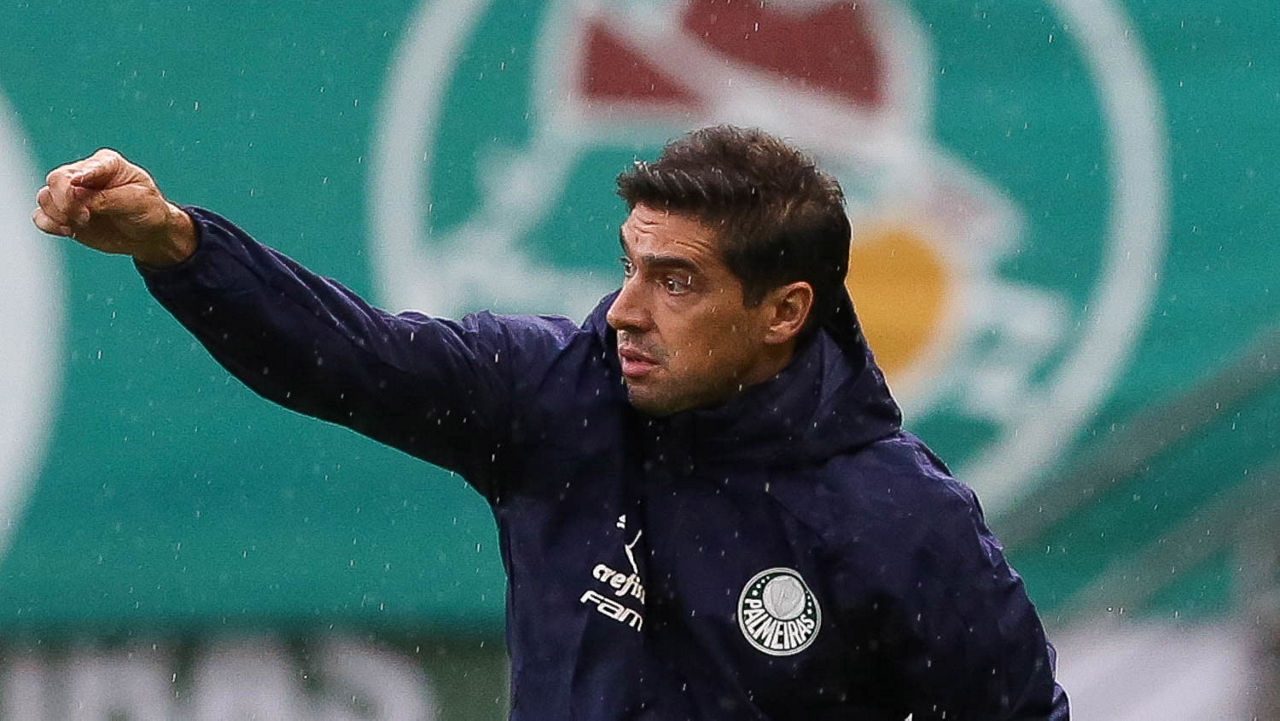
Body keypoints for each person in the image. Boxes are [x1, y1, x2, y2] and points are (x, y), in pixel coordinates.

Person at [33, 126, 1069, 720]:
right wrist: (177, 244)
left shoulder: (904, 519)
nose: (623, 309)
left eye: (675, 281)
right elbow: (346, 355)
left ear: (783, 312)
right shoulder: (554, 396)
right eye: (629, 265)